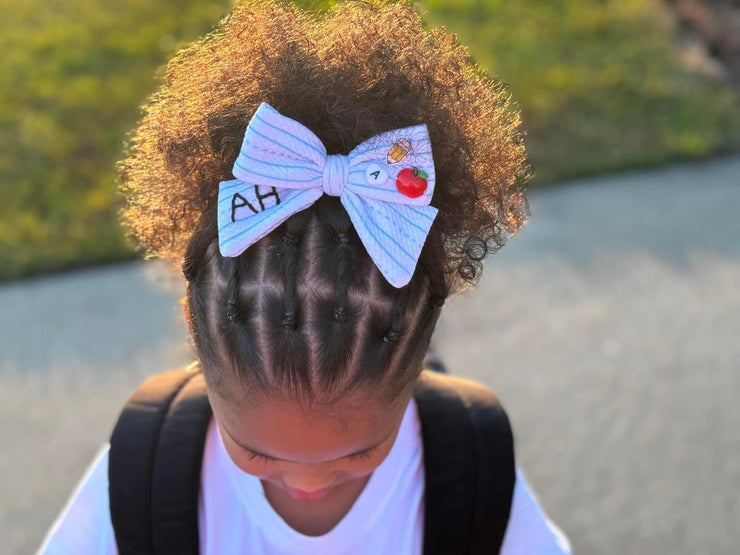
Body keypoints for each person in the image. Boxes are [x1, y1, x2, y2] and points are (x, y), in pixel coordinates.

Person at [40, 1, 572, 553]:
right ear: (199, 347)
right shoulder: (144, 478)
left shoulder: (469, 474)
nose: (308, 483)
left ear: (419, 358)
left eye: (361, 453)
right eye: (259, 454)